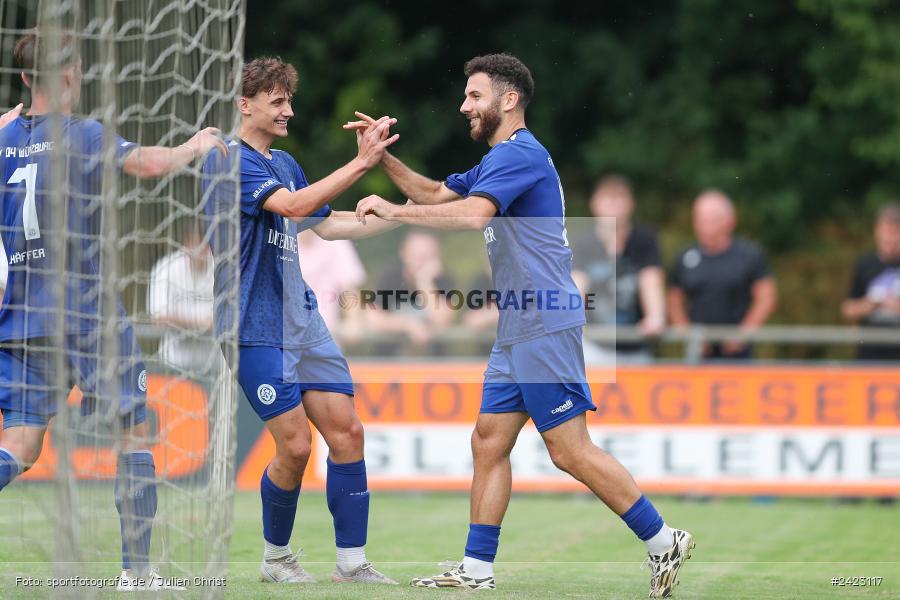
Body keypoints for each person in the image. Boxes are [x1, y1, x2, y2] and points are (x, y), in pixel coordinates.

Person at [350, 52, 693, 598]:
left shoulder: (519, 154)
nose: (464, 105)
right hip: (519, 325)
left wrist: (393, 211)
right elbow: (435, 193)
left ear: (509, 100)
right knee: (488, 441)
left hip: (543, 320)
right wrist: (380, 158)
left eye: (475, 95)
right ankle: (476, 569)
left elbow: (472, 215)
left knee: (569, 450)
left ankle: (663, 539)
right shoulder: (498, 160)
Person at [0, 31, 226, 591]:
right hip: (86, 313)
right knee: (134, 432)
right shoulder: (82, 133)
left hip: (22, 317)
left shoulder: (3, 141)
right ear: (72, 72)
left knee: (21, 445)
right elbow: (144, 164)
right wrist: (193, 146)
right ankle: (137, 574)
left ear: (24, 78)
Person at [202, 56, 401, 585]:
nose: (288, 110)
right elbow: (291, 208)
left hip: (303, 321)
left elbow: (326, 225)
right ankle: (276, 559)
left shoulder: (285, 163)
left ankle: (351, 565)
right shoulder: (228, 160)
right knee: (294, 446)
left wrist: (403, 213)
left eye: (289, 100)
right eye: (277, 101)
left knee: (349, 433)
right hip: (253, 326)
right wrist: (360, 163)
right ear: (244, 105)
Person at [667, 190, 777, 359]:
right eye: (701, 220)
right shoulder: (685, 256)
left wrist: (743, 334)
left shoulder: (749, 255)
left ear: (730, 221)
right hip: (698, 351)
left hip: (738, 353)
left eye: (712, 220)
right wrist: (688, 334)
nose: (705, 226)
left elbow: (766, 297)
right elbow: (674, 300)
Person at [572, 175, 665, 363]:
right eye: (608, 198)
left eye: (619, 198)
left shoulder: (643, 239)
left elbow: (651, 281)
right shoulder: (584, 242)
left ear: (631, 204)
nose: (613, 204)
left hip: (636, 343)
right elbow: (577, 285)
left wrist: (655, 316)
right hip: (594, 344)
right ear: (594, 203)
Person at [365, 229, 456, 354]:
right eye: (416, 256)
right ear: (403, 253)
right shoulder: (389, 276)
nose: (421, 261)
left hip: (433, 361)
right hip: (388, 360)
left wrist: (424, 281)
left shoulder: (444, 280)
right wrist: (408, 325)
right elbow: (372, 318)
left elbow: (442, 321)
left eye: (428, 256)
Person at [148, 223, 216, 377]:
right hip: (173, 365)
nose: (198, 251)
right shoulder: (166, 268)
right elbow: (159, 319)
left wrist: (179, 320)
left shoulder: (221, 268)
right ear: (186, 244)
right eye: (194, 244)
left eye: (204, 246)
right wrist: (201, 323)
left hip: (213, 368)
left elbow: (228, 319)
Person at [841, 203, 900, 360]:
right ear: (877, 231)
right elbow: (847, 310)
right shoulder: (865, 264)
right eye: (886, 231)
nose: (890, 238)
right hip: (870, 355)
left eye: (895, 232)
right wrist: (872, 304)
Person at [297, 229, 367, 345]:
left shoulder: (336, 242)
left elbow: (349, 287)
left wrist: (353, 320)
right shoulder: (275, 242)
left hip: (326, 339)